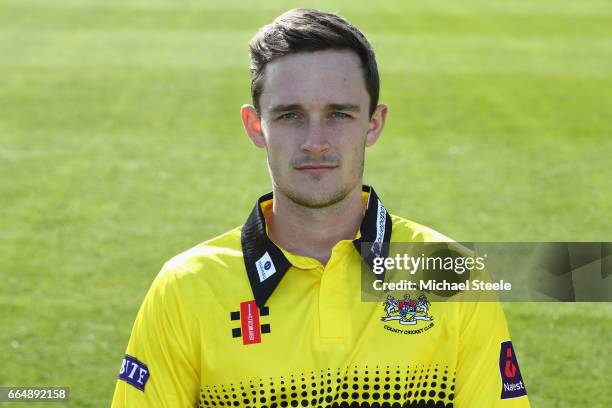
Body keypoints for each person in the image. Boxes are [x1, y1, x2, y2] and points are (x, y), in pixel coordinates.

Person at [111, 8, 530, 408]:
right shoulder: (187, 288)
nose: (316, 141)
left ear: (374, 123)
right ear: (256, 126)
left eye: (340, 115)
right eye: (291, 115)